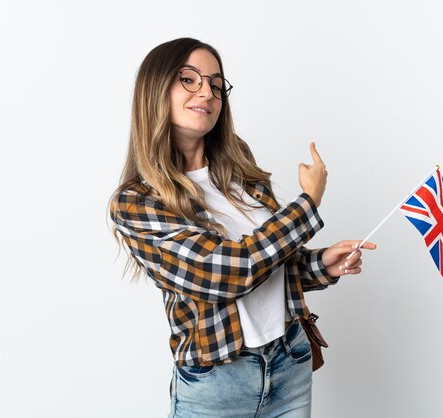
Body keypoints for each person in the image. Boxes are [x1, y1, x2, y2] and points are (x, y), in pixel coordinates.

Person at [108, 37, 376, 417]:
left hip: (290, 364)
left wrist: (319, 265)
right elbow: (226, 273)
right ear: (155, 90)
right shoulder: (137, 203)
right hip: (218, 385)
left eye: (216, 85)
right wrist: (308, 204)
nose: (207, 92)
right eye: (189, 79)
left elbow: (271, 265)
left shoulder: (239, 165)